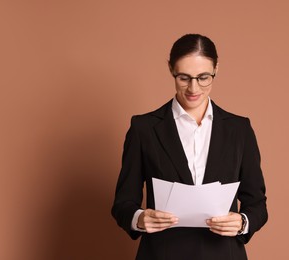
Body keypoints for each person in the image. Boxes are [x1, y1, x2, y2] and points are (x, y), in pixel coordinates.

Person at [111, 34, 268, 260]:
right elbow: (122, 204)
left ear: (216, 70)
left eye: (204, 77)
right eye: (184, 77)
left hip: (223, 254)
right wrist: (140, 218)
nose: (194, 88)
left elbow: (257, 204)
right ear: (171, 70)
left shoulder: (239, 129)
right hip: (161, 254)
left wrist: (243, 222)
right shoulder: (143, 128)